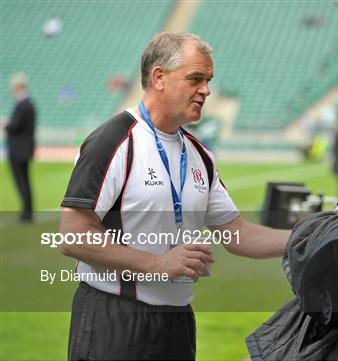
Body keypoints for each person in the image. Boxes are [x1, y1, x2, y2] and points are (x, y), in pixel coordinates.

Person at [59, 32, 290, 361]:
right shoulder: (112, 140)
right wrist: (157, 264)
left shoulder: (199, 155)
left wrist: (302, 237)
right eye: (196, 78)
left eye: (208, 80)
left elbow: (237, 233)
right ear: (159, 78)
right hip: (115, 318)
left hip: (177, 322)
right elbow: (71, 236)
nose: (206, 90)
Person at [4, 72, 36, 222]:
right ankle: (27, 210)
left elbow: (15, 126)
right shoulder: (29, 103)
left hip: (18, 150)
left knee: (21, 180)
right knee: (25, 180)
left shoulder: (23, 104)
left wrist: (6, 124)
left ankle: (26, 212)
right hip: (25, 149)